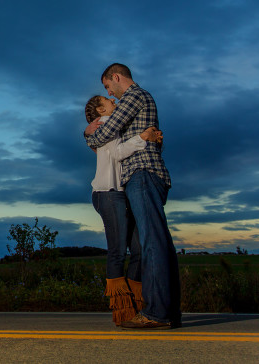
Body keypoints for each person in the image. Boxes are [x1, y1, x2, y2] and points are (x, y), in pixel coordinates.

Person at [84, 63, 181, 330]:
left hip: (142, 173)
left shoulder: (133, 96)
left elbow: (104, 133)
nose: (110, 93)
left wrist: (89, 137)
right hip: (144, 175)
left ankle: (157, 313)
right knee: (159, 243)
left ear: (116, 77)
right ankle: (170, 311)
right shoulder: (139, 100)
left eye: (107, 86)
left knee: (151, 243)